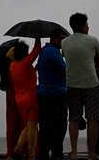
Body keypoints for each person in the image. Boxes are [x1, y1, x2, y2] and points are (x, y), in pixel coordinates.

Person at [61, 12, 99, 160]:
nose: (88, 27)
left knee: (73, 118)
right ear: (82, 26)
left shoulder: (64, 42)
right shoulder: (93, 40)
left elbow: (68, 58)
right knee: (93, 118)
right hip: (91, 83)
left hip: (72, 83)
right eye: (86, 24)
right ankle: (91, 154)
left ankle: (73, 152)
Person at [8, 39, 41, 160]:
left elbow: (25, 73)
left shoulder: (13, 66)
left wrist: (34, 70)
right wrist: (37, 39)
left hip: (19, 99)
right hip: (30, 98)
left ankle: (17, 149)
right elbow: (36, 50)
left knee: (27, 126)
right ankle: (31, 155)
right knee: (33, 127)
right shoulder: (26, 63)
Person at [37, 30, 67, 160]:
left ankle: (43, 153)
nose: (63, 42)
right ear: (54, 38)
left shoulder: (44, 51)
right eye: (62, 39)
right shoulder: (53, 52)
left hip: (44, 93)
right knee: (59, 126)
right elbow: (64, 70)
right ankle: (57, 153)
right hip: (55, 93)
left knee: (45, 126)